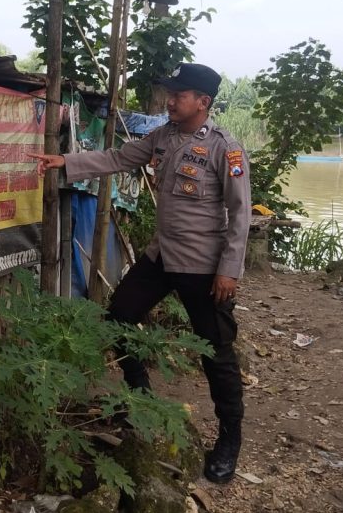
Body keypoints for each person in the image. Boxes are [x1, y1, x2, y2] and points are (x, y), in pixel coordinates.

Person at [29, 62, 251, 483]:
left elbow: (240, 214)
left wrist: (230, 271)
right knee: (119, 317)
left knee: (216, 354)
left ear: (202, 102)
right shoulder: (163, 137)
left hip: (205, 267)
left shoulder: (226, 148)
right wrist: (65, 160)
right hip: (162, 256)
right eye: (171, 93)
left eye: (180, 94)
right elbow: (117, 157)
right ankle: (141, 397)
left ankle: (229, 440)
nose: (171, 100)